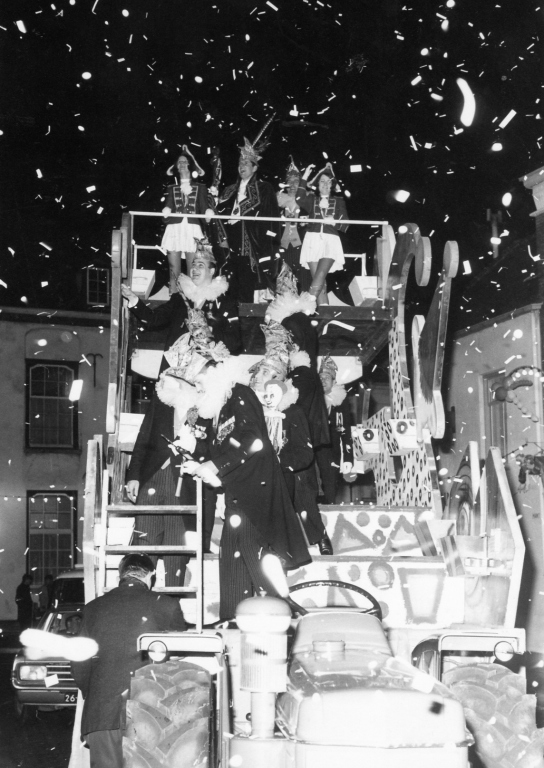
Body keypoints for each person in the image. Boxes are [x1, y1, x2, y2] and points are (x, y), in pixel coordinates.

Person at [121, 245, 240, 578]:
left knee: (179, 537)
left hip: (204, 377)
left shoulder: (223, 303)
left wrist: (209, 340)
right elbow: (154, 320)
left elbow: (235, 341)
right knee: (145, 540)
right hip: (174, 377)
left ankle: (189, 555)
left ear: (213, 271)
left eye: (202, 263)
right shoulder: (180, 298)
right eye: (193, 263)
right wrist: (134, 302)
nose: (196, 267)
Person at [184, 356, 311, 621]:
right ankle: (232, 621)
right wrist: (198, 460)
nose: (198, 388)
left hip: (255, 496)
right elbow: (225, 451)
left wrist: (215, 465)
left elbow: (253, 441)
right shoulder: (221, 407)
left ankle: (285, 617)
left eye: (199, 381)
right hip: (238, 495)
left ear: (213, 374)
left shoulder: (240, 394)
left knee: (255, 561)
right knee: (232, 564)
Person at [71, 554, 185, 768]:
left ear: (120, 577)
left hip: (102, 714)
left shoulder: (93, 607)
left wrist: (95, 694)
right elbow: (178, 662)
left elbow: (79, 663)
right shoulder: (167, 606)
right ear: (150, 576)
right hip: (150, 714)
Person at [215, 133, 281, 302]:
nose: (241, 166)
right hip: (230, 236)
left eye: (246, 163)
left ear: (255, 168)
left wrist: (269, 243)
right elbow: (219, 214)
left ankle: (245, 312)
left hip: (251, 238)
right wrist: (222, 236)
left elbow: (271, 217)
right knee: (229, 280)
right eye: (240, 163)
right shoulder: (229, 190)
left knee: (246, 279)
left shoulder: (264, 188)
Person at [161, 146, 214, 292]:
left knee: (193, 268)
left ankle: (193, 299)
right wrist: (166, 212)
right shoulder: (172, 188)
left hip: (192, 229)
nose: (182, 164)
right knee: (173, 268)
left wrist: (208, 213)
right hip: (174, 228)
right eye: (179, 162)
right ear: (176, 167)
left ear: (190, 165)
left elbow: (203, 208)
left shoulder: (200, 187)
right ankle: (174, 297)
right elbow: (167, 208)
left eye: (185, 161)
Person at [299, 162, 349, 305]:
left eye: (328, 182)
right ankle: (325, 312)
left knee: (320, 274)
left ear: (332, 185)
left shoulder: (338, 201)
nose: (325, 184)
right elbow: (299, 198)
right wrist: (305, 176)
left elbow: (346, 225)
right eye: (322, 181)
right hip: (312, 239)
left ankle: (308, 302)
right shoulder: (311, 200)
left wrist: (334, 222)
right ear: (318, 184)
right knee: (319, 282)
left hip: (331, 240)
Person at [315, 355, 354, 504]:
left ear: (334, 381)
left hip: (331, 454)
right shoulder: (310, 400)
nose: (323, 381)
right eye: (320, 378)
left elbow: (344, 431)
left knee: (330, 492)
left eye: (327, 378)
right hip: (311, 453)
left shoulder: (339, 403)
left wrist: (348, 458)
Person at [276, 157, 311, 292]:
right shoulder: (277, 202)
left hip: (304, 246)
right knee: (283, 283)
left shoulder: (309, 201)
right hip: (282, 247)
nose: (292, 185)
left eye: (296, 181)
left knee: (305, 281)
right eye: (289, 181)